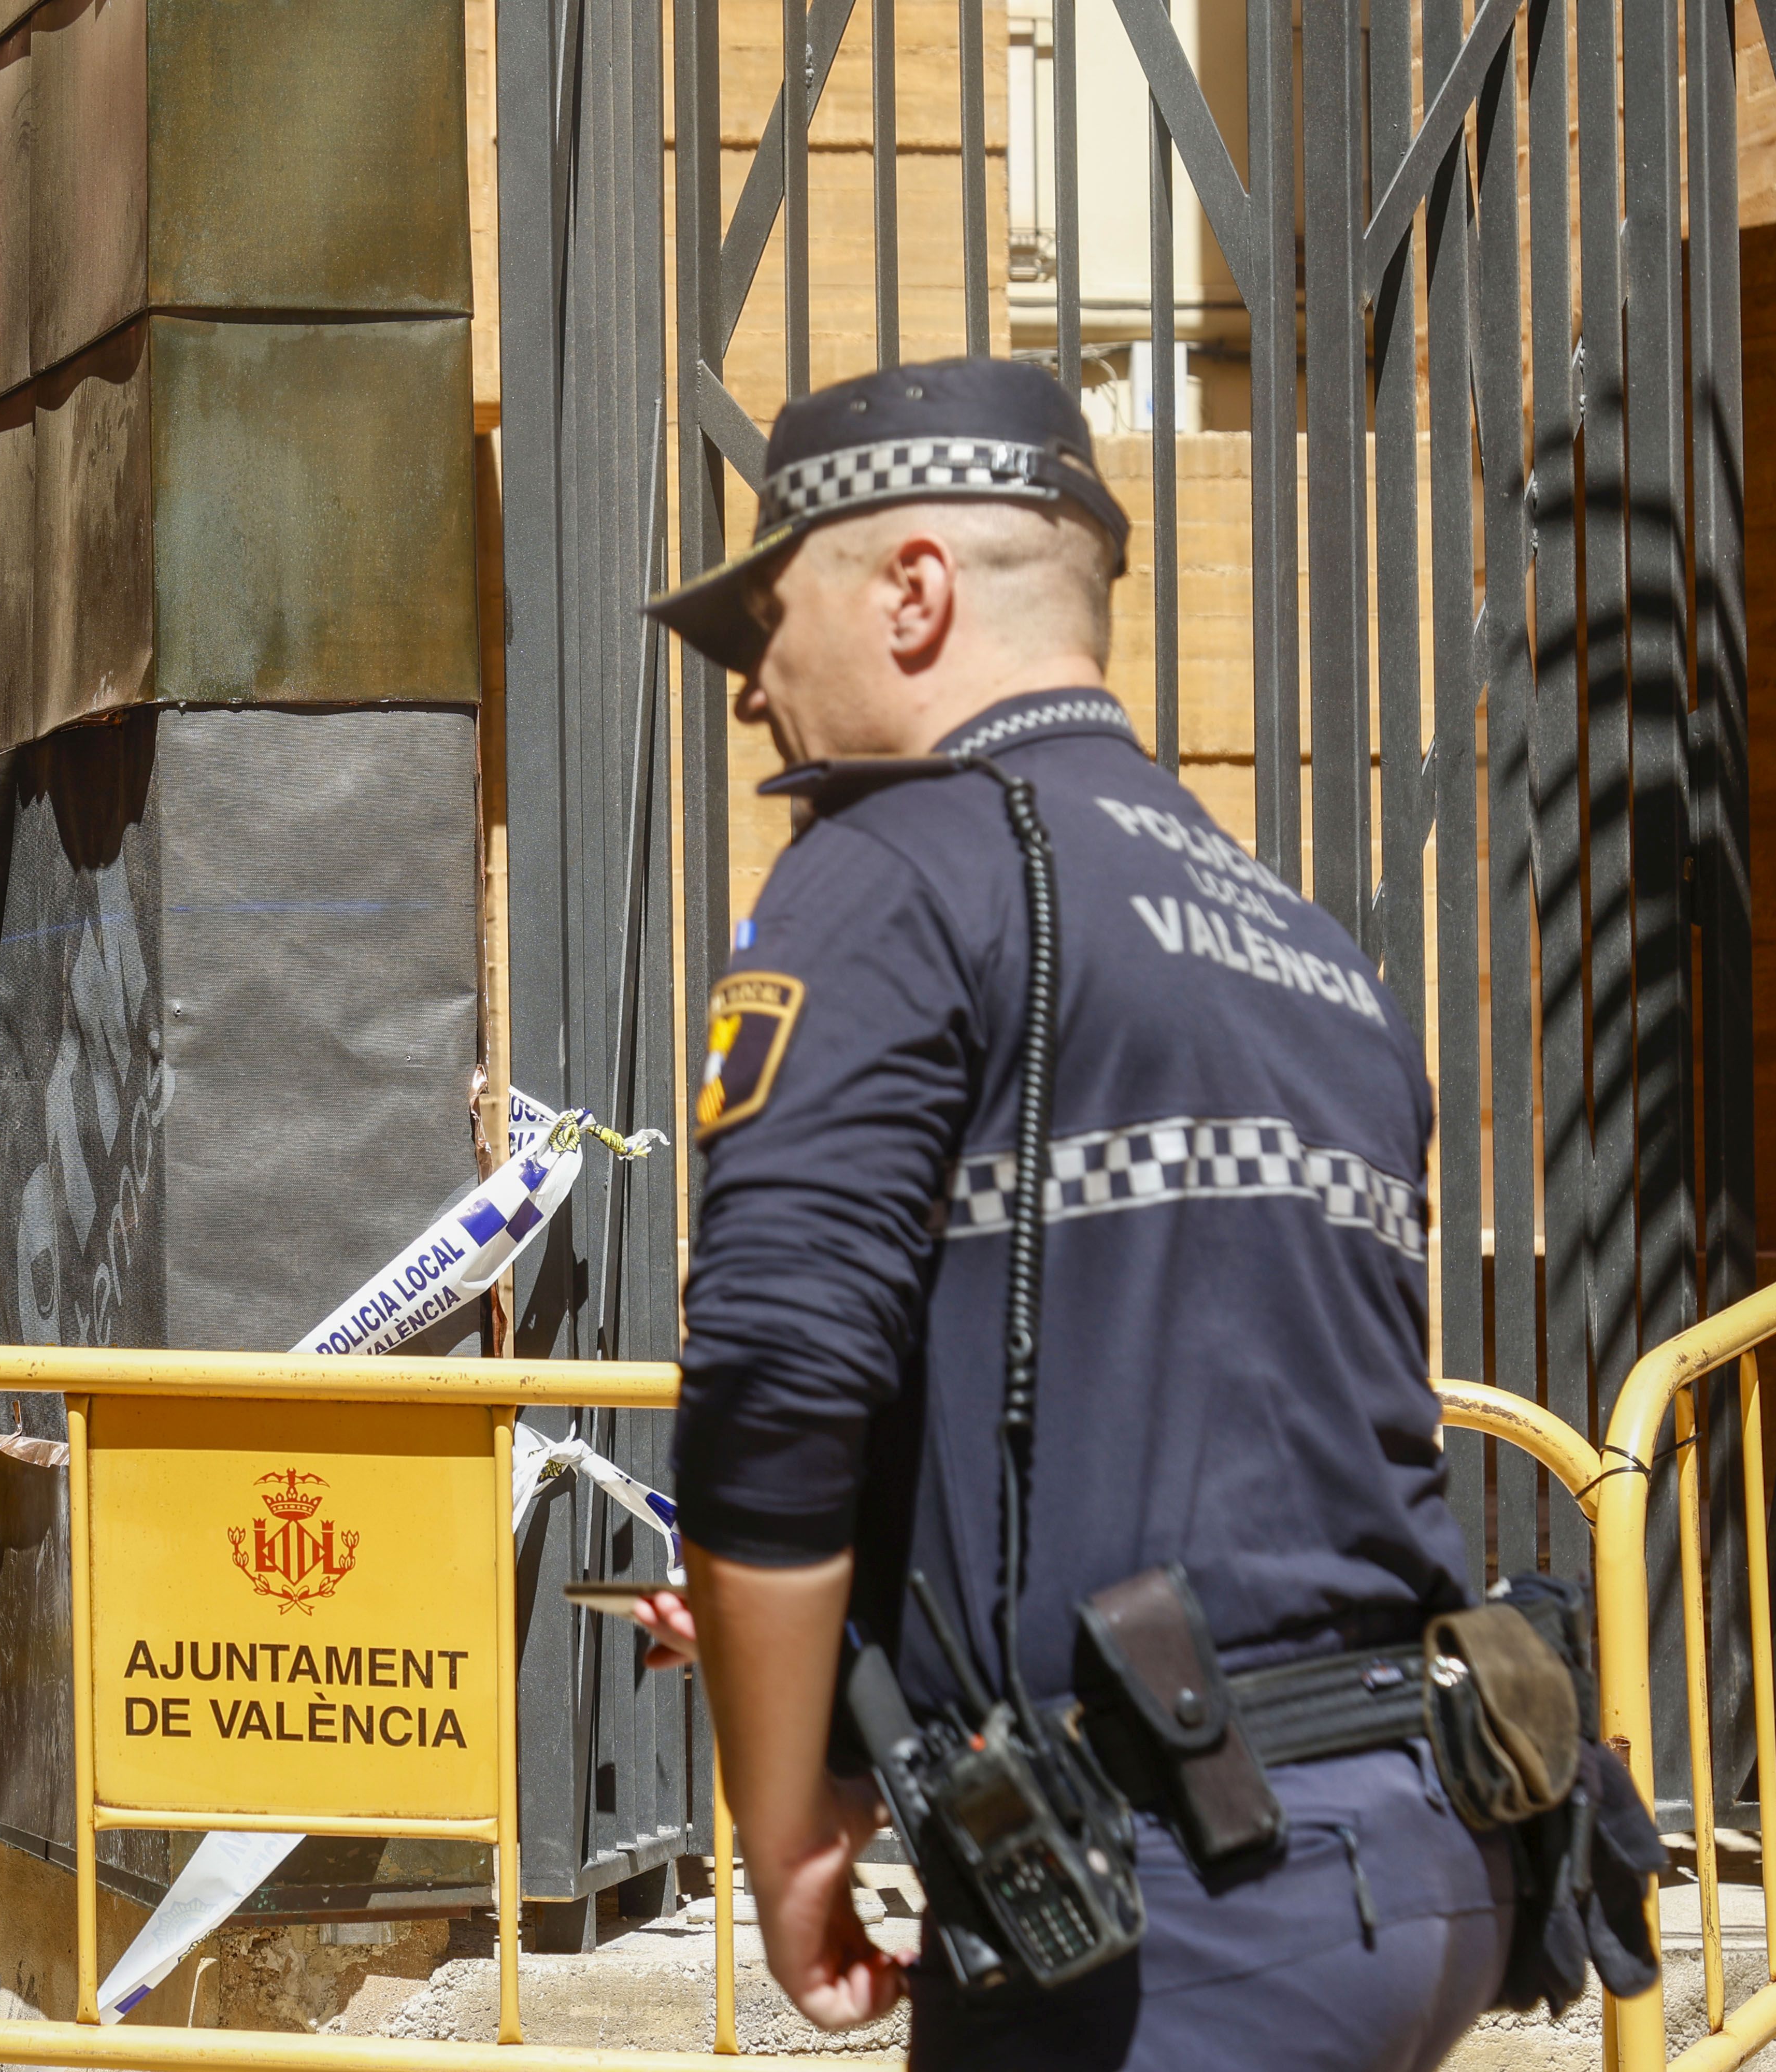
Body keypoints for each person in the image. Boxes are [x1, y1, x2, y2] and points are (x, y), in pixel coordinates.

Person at [632, 358, 1514, 2069]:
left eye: (768, 620)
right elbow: (1172, 1435)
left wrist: (782, 1832)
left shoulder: (889, 871)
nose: (753, 698)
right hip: (1410, 1857)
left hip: (1167, 1906)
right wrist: (869, 1657)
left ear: (912, 591)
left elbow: (775, 1383)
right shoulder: (1303, 946)